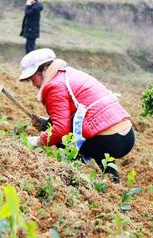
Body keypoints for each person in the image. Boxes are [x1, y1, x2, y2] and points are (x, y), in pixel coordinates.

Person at [19, 48, 134, 183]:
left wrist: (37, 141)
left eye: (33, 79)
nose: (34, 85)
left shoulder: (54, 86)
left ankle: (76, 177)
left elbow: (60, 130)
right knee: (58, 125)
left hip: (110, 141)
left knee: (62, 138)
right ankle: (113, 180)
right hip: (126, 136)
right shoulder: (68, 73)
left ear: (44, 69)